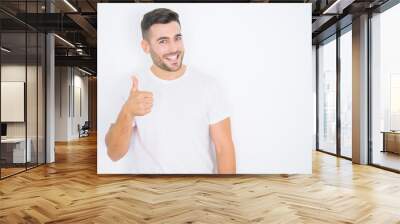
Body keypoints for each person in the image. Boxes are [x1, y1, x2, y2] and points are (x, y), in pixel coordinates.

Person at [105, 8, 236, 174]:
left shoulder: (208, 86)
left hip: (198, 192)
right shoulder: (131, 88)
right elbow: (114, 154)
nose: (174, 49)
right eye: (163, 41)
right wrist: (128, 112)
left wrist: (227, 194)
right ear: (145, 46)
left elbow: (224, 148)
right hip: (150, 196)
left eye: (177, 38)